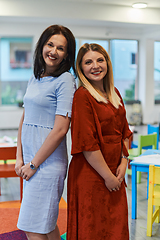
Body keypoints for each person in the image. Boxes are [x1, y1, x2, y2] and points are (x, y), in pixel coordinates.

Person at [15, 24, 76, 240]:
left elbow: (61, 129)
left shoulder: (66, 80)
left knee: (33, 227)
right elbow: (25, 117)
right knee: (46, 225)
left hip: (47, 164)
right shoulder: (36, 77)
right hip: (32, 161)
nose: (53, 51)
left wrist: (33, 164)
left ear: (67, 54)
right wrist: (19, 157)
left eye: (60, 48)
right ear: (42, 45)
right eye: (50, 44)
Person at [67, 43, 132, 240]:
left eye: (100, 60)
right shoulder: (82, 96)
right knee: (93, 230)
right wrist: (108, 177)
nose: (95, 66)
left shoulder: (114, 93)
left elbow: (125, 132)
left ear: (107, 63)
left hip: (116, 171)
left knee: (116, 228)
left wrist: (123, 162)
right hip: (91, 175)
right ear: (81, 68)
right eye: (88, 62)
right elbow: (87, 144)